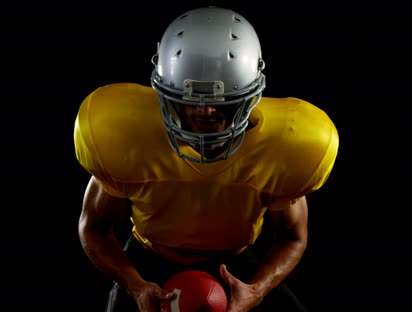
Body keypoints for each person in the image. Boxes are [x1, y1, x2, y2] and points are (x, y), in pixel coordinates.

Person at [73, 6, 339, 312]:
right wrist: (135, 284)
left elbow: (293, 237)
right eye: (190, 100)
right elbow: (93, 227)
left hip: (236, 263)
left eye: (222, 100)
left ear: (251, 96)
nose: (205, 111)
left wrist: (257, 289)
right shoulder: (124, 136)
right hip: (148, 258)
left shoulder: (287, 146)